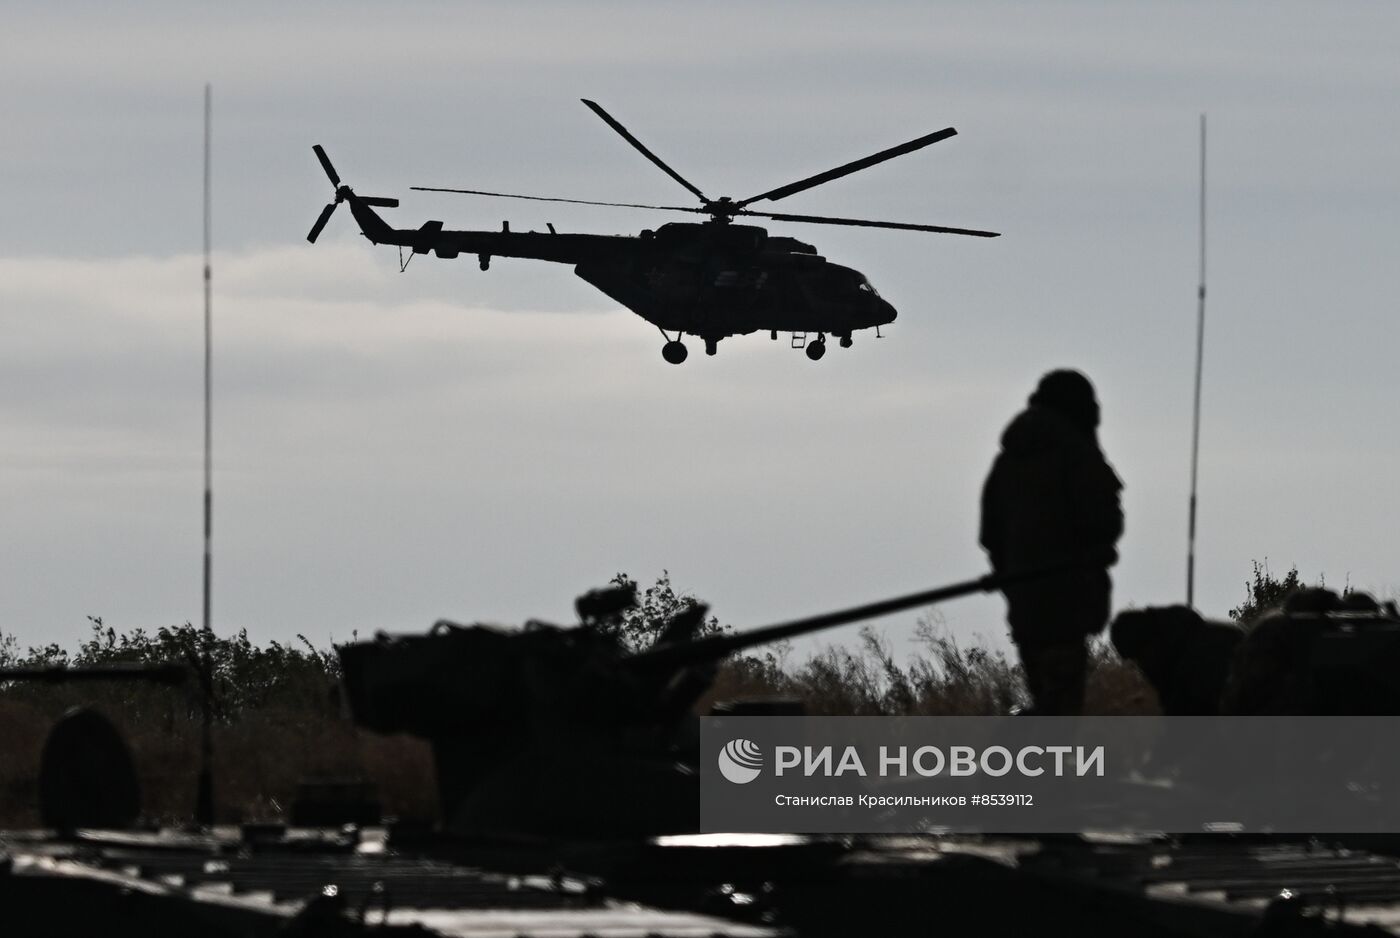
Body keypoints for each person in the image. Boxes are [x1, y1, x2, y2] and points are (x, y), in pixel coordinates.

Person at [979, 370, 1123, 714]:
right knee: (1060, 712)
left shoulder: (1008, 461)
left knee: (1047, 700)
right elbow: (1104, 521)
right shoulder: (1077, 455)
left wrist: (1011, 575)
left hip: (1025, 604)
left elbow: (990, 533)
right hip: (1067, 602)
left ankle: (1028, 751)